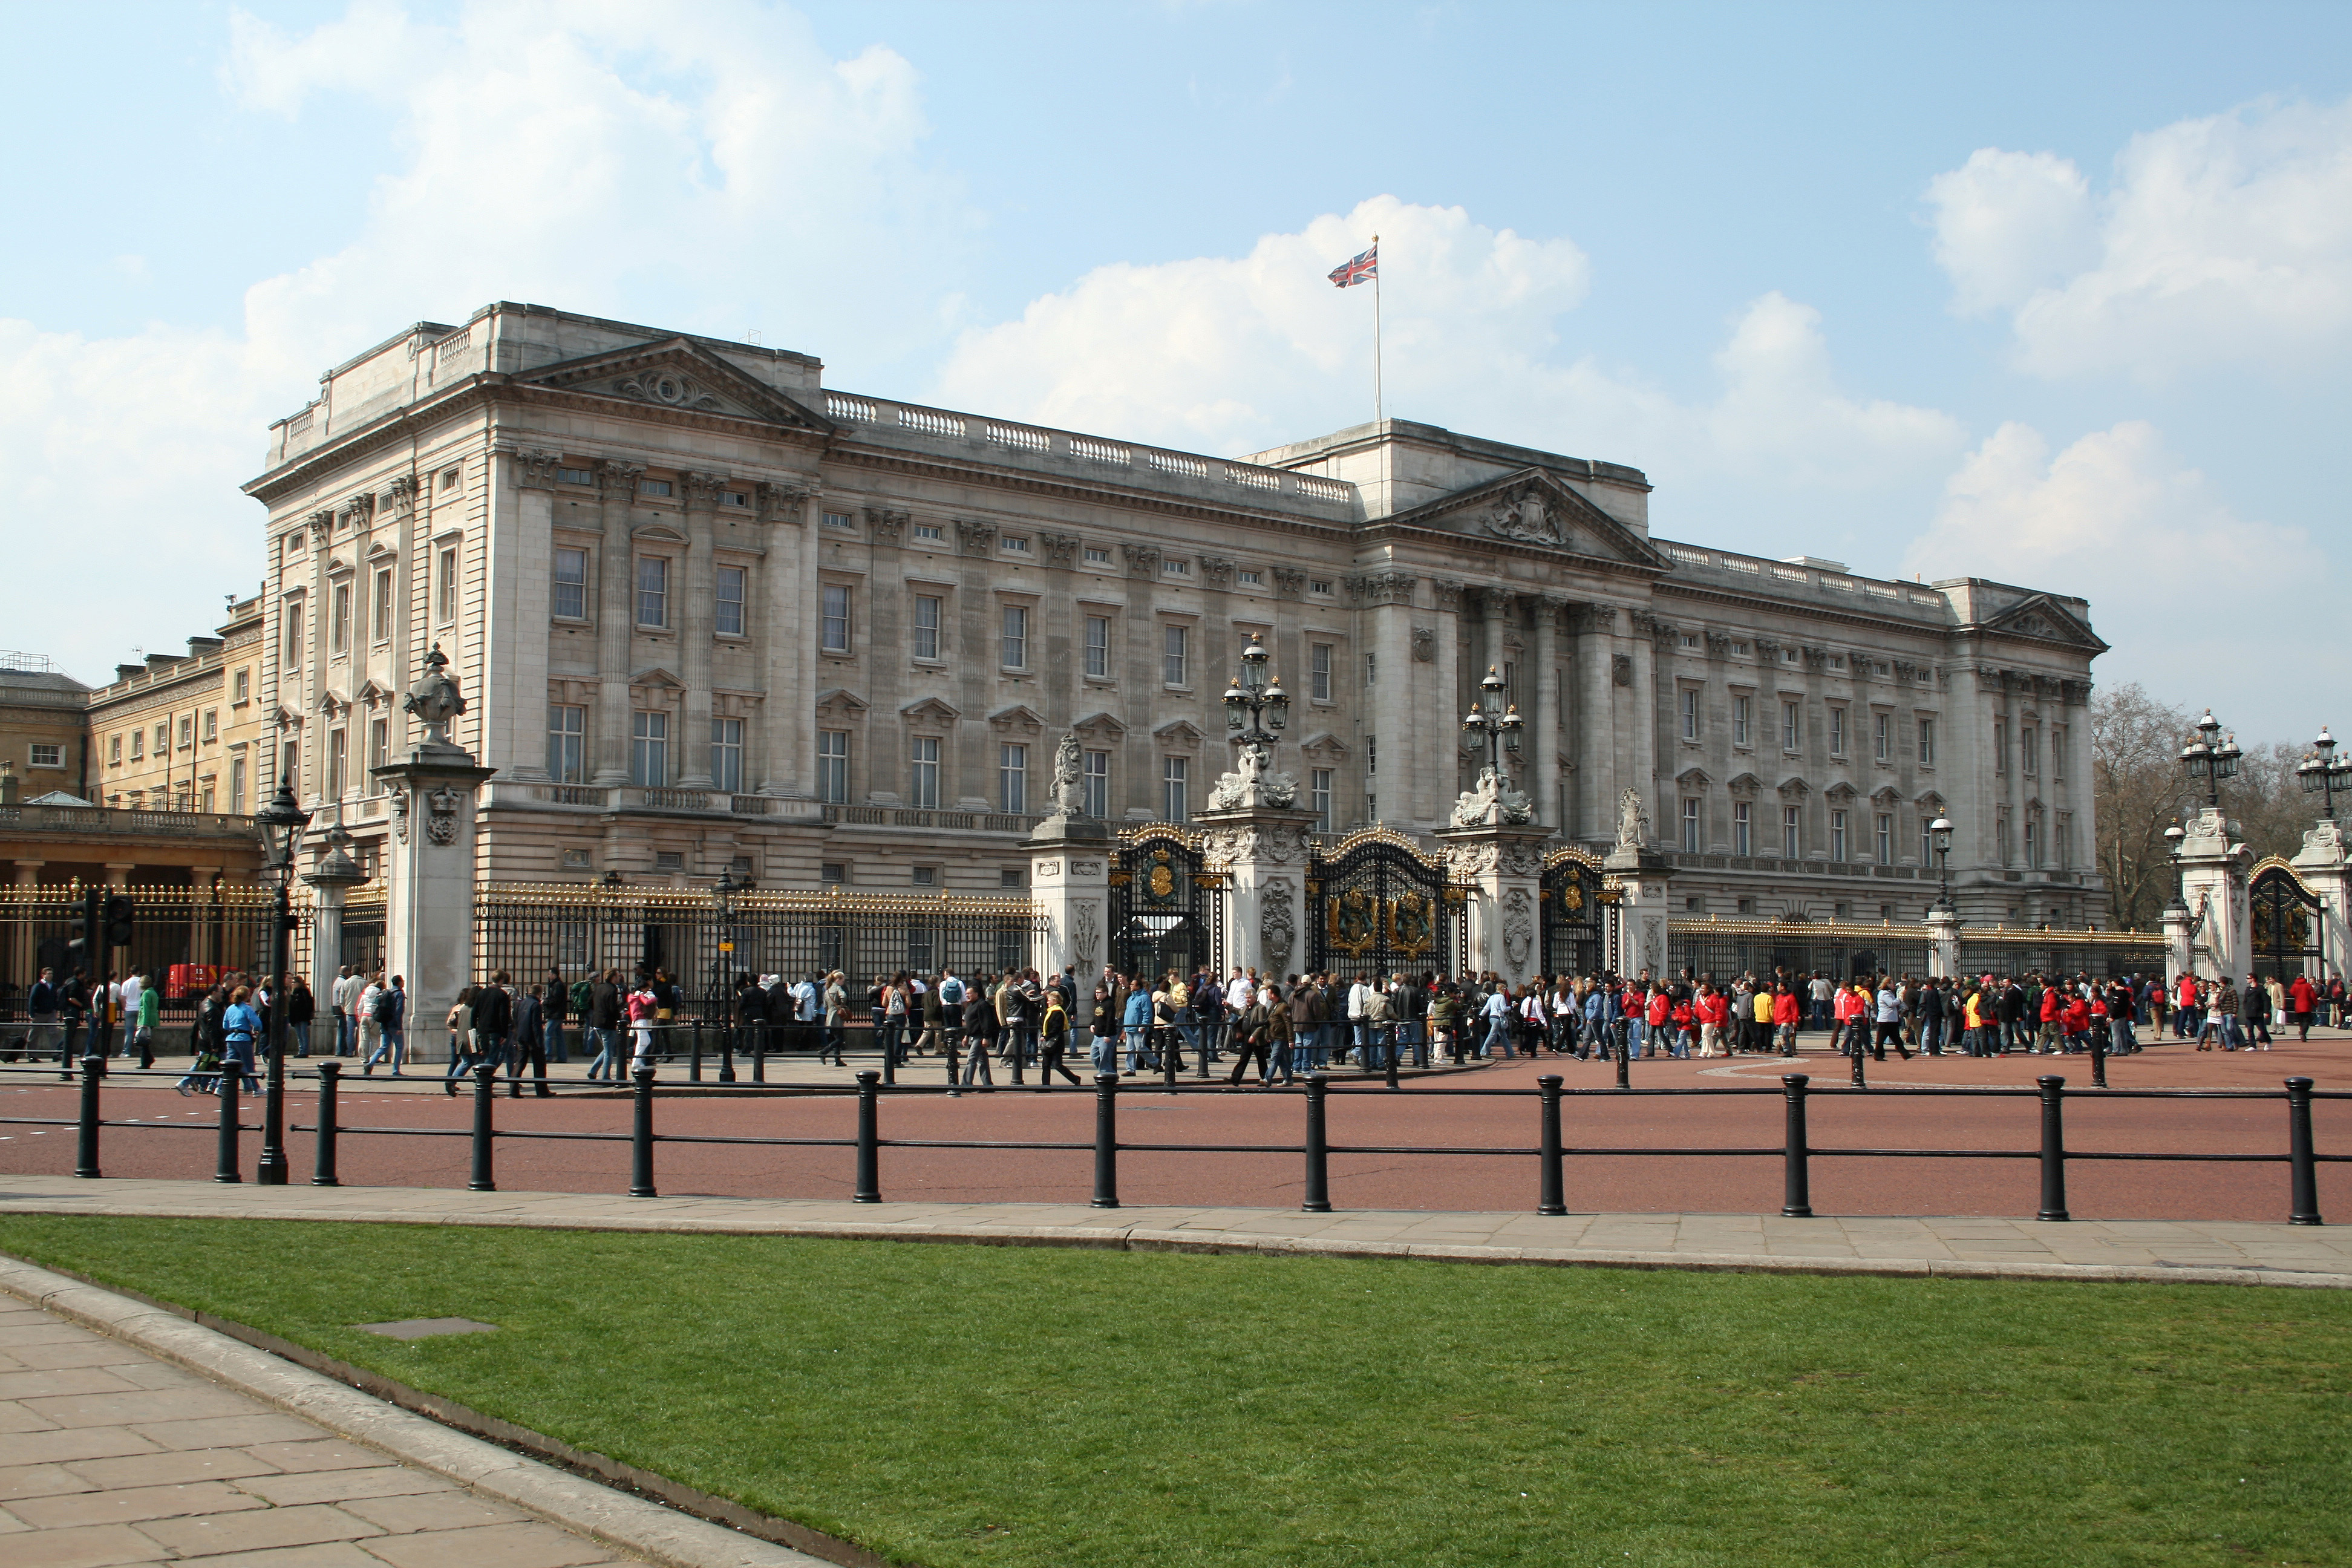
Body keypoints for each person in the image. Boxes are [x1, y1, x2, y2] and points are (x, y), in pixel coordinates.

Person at [219, 984, 263, 1096]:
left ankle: (219, 1087)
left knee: (229, 1066)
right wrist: (256, 1031)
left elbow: (225, 1025)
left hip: (231, 1039)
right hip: (243, 1039)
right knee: (249, 1065)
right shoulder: (247, 1008)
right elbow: (257, 1024)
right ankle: (256, 1088)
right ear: (247, 996)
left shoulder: (230, 1008)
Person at [509, 981, 550, 1097]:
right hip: (533, 1038)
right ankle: (542, 1091)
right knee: (539, 1065)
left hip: (521, 1036)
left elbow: (516, 1020)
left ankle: (513, 1090)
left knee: (520, 1064)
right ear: (540, 993)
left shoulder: (521, 1004)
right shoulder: (536, 1005)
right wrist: (539, 1041)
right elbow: (536, 1025)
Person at [364, 976, 408, 1075]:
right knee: (400, 1046)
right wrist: (399, 1027)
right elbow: (399, 1011)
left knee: (384, 1046)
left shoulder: (387, 993)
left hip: (385, 1023)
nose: (403, 983)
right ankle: (396, 1070)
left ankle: (370, 1064)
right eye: (402, 981)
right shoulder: (399, 994)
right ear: (400, 983)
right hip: (394, 1024)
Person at [1037, 988, 1081, 1088]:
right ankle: (1045, 1086)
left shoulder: (1058, 1012)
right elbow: (1042, 1022)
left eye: (1050, 1000)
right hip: (1048, 1040)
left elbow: (1057, 1028)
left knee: (1057, 1064)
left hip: (1056, 1041)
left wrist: (1047, 1036)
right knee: (1046, 1065)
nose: (1048, 1001)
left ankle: (1075, 1079)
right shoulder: (1048, 1011)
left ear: (1055, 1001)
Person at [284, 976, 315, 1058]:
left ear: (299, 983)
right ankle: (301, 1050)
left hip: (303, 1016)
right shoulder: (293, 992)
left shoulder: (304, 991)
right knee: (299, 1035)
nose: (293, 984)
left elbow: (309, 1004)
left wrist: (309, 1014)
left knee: (303, 1034)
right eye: (292, 982)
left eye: (294, 982)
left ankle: (304, 1051)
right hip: (295, 1016)